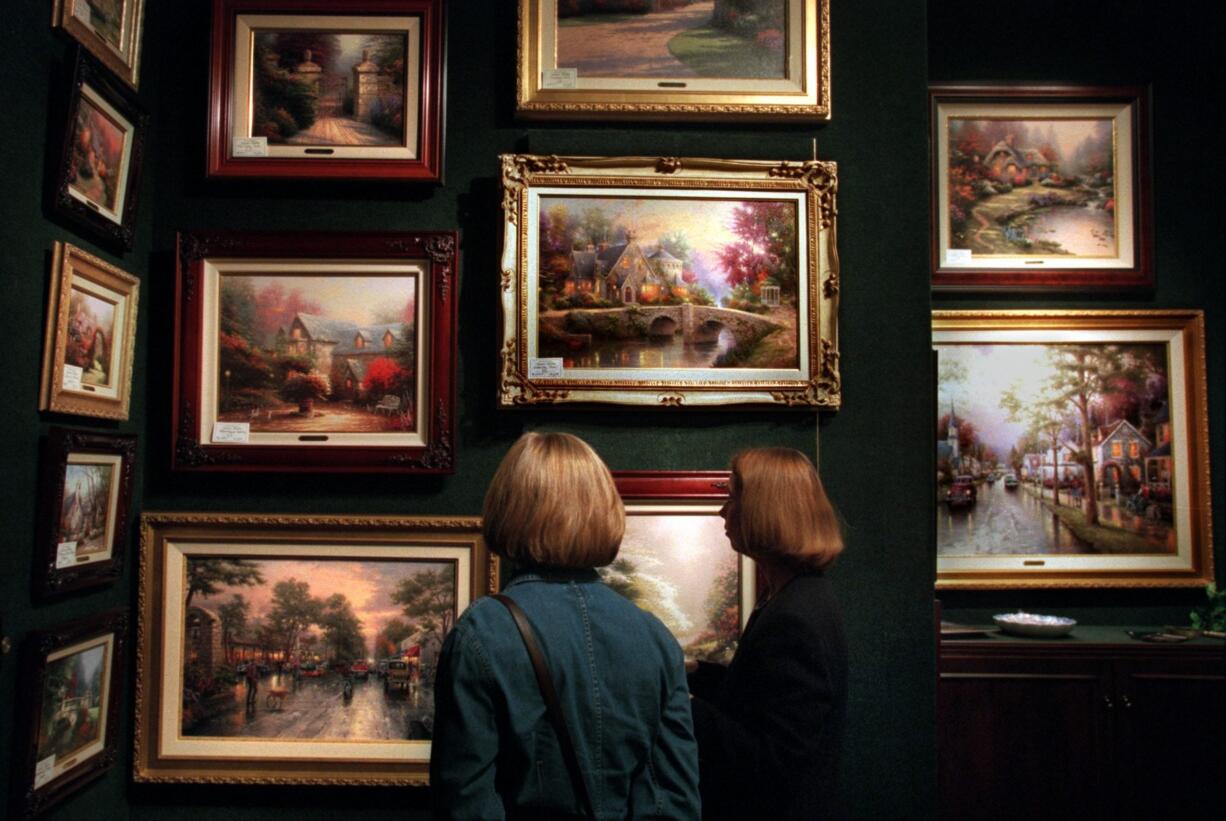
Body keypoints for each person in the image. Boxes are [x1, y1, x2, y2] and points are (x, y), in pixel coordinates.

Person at [430, 432, 700, 820]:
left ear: (510, 509)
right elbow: (675, 800)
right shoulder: (654, 636)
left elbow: (463, 803)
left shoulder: (483, 633)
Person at [687, 447, 848, 821]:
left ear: (765, 510)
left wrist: (682, 706)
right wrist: (694, 670)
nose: (722, 511)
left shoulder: (794, 617)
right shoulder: (796, 595)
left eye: (732, 498)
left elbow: (772, 761)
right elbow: (760, 694)